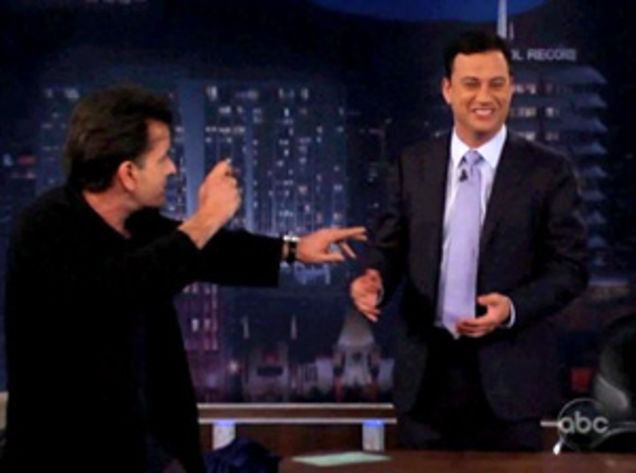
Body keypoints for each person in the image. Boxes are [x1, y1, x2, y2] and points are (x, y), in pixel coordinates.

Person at [3, 85, 366, 473]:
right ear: (128, 173)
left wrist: (295, 249)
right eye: (162, 158)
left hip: (152, 449)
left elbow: (206, 252)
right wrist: (208, 216)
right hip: (69, 453)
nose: (172, 169)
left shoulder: (136, 224)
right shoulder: (45, 230)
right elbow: (120, 290)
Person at [350, 30, 588, 451]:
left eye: (497, 84)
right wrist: (374, 280)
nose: (485, 96)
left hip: (510, 385)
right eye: (471, 83)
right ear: (448, 90)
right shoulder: (414, 165)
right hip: (425, 382)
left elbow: (570, 268)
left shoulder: (548, 172)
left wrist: (511, 308)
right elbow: (388, 247)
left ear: (511, 88)